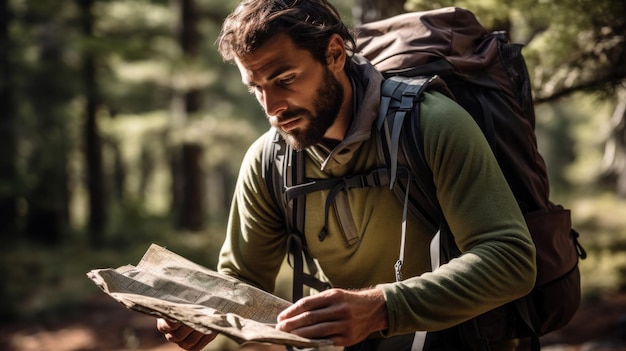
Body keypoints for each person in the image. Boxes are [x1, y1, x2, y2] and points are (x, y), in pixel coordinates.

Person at [156, 0, 537, 350]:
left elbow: (510, 259)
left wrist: (382, 307)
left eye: (285, 79)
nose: (272, 108)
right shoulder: (268, 160)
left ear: (334, 54)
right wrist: (206, 315)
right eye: (257, 88)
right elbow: (244, 279)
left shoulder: (432, 124)